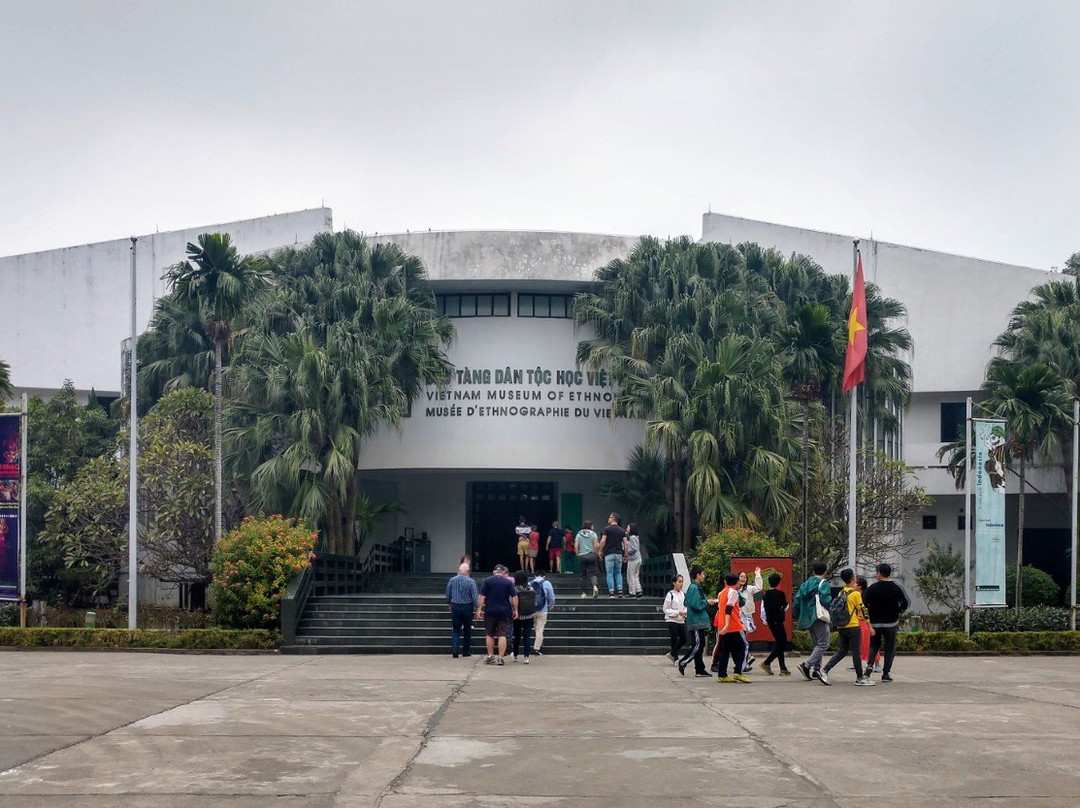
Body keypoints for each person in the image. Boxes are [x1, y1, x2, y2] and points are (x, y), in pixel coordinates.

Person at [819, 568, 875, 686]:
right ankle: (860, 678)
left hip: (841, 626)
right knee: (856, 652)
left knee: (842, 651)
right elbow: (863, 611)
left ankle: (824, 670)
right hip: (853, 626)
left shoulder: (841, 592)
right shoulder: (855, 594)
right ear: (852, 578)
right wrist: (869, 626)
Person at [864, 562, 911, 682]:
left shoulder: (872, 588)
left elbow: (863, 603)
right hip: (891, 622)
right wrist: (899, 611)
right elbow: (906, 602)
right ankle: (886, 673)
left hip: (875, 622)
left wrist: (869, 614)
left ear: (879, 573)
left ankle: (870, 665)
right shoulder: (897, 587)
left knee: (874, 645)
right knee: (890, 647)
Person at [792, 561, 833, 681]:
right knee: (824, 643)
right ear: (825, 572)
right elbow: (826, 599)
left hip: (807, 616)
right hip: (818, 616)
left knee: (817, 644)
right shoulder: (823, 583)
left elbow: (797, 599)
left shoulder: (805, 584)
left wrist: (798, 614)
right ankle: (807, 664)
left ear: (813, 571)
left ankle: (816, 670)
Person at [476, 564, 518, 665]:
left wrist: (479, 609)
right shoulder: (508, 582)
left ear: (494, 571)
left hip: (490, 611)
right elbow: (514, 597)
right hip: (504, 612)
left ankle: (490, 656)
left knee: (490, 634)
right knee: (502, 635)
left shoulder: (487, 581)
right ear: (503, 572)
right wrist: (515, 609)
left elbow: (481, 596)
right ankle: (500, 658)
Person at [677, 565, 715, 677]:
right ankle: (683, 662)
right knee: (698, 644)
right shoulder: (694, 588)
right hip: (696, 621)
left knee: (700, 644)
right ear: (698, 575)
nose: (704, 576)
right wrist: (707, 602)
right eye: (702, 574)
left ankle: (699, 669)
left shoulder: (695, 587)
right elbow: (696, 605)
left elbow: (687, 602)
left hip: (698, 621)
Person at [715, 572, 751, 683]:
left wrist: (724, 625)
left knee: (725, 650)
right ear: (736, 582)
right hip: (734, 625)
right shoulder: (733, 593)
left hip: (723, 626)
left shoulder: (722, 593)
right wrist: (727, 624)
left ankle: (722, 674)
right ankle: (738, 672)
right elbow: (729, 608)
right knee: (744, 646)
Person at [446, 562, 479, 658]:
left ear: (459, 571)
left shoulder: (452, 580)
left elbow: (448, 593)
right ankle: (466, 651)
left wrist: (449, 603)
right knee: (467, 630)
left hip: (455, 606)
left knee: (456, 629)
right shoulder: (471, 581)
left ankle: (455, 651)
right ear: (468, 572)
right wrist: (476, 607)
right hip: (467, 607)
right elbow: (474, 596)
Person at [760, 572, 790, 676]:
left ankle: (783, 668)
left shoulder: (765, 595)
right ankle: (767, 662)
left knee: (779, 642)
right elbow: (786, 606)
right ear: (778, 582)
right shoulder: (780, 594)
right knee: (782, 642)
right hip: (778, 620)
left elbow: (763, 609)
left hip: (771, 621)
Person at [738, 568, 763, 671]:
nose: (743, 578)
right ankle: (746, 659)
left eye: (745, 577)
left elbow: (759, 587)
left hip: (747, 617)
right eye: (741, 576)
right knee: (741, 641)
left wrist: (757, 574)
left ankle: (745, 661)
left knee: (742, 640)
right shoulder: (735, 589)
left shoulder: (748, 588)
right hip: (738, 617)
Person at [599, 512, 627, 598]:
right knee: (618, 572)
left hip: (609, 553)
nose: (608, 518)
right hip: (619, 554)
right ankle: (620, 590)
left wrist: (600, 550)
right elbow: (626, 543)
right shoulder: (622, 530)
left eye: (610, 517)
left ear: (613, 519)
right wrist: (625, 554)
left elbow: (603, 541)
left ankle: (611, 593)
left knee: (610, 573)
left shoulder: (606, 529)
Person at [512, 570, 536, 663]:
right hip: (529, 615)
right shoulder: (530, 587)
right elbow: (535, 601)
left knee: (516, 636)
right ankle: (526, 657)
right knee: (527, 637)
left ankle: (515, 655)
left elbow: (511, 600)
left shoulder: (515, 588)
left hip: (517, 616)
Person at [530, 569, 556, 655]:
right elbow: (551, 596)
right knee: (539, 629)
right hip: (543, 610)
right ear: (544, 576)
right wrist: (551, 604)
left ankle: (531, 644)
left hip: (531, 610)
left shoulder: (530, 583)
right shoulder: (547, 583)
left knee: (533, 628)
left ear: (535, 576)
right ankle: (536, 648)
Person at [662, 574, 687, 661]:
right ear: (674, 583)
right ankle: (675, 658)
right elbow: (665, 608)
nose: (681, 584)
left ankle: (672, 653)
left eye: (682, 582)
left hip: (680, 620)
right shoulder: (670, 594)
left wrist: (684, 612)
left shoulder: (683, 594)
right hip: (671, 619)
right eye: (679, 582)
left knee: (683, 639)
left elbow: (685, 606)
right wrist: (677, 612)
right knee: (674, 638)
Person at [575, 521, 600, 599]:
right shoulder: (593, 534)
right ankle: (595, 586)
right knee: (592, 573)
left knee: (583, 575)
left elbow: (576, 546)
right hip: (591, 555)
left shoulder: (578, 534)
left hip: (582, 556)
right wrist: (596, 554)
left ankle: (583, 593)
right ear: (590, 526)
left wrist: (578, 555)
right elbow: (596, 546)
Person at [625, 523, 643, 598]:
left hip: (633, 559)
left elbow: (633, 549)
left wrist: (626, 551)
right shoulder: (635, 537)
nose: (626, 529)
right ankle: (638, 590)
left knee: (630, 576)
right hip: (638, 558)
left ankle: (632, 592)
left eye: (628, 527)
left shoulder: (632, 538)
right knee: (636, 575)